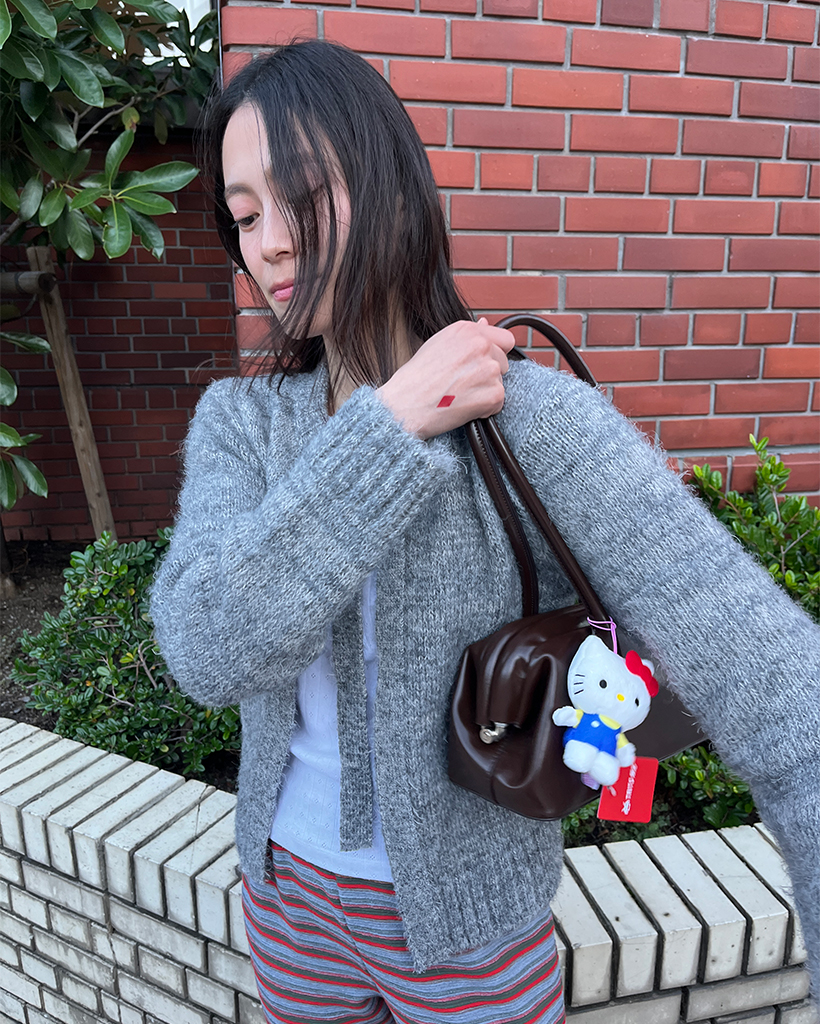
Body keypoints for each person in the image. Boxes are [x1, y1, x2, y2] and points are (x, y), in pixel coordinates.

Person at [149, 39, 820, 1023]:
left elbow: (784, 699)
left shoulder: (531, 420)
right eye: (245, 217)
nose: (271, 245)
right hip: (287, 905)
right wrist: (391, 425)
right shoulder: (241, 424)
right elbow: (209, 651)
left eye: (301, 195)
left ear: (391, 189)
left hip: (470, 930)